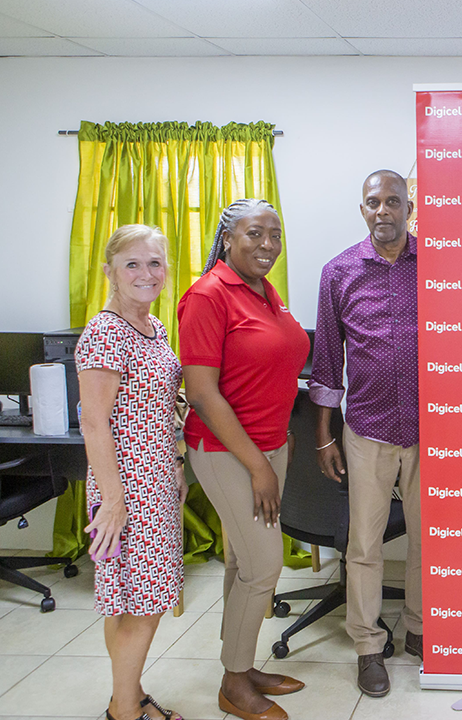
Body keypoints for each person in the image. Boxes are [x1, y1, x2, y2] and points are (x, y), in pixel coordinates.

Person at [178, 199, 309, 720]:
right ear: (227, 238)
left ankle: (243, 663)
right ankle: (234, 683)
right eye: (255, 234)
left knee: (243, 563)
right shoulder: (208, 295)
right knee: (263, 566)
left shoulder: (264, 292)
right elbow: (204, 395)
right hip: (224, 452)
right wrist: (257, 465)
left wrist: (279, 444)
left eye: (275, 235)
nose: (267, 245)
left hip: (268, 446)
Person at [309, 169, 421, 698]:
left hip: (431, 430)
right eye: (373, 202)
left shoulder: (438, 267)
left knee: (429, 540)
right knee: (365, 544)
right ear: (362, 209)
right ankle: (367, 644)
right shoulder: (339, 273)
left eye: (392, 201)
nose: (383, 210)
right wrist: (325, 437)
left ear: (408, 206)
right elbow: (328, 363)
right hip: (369, 427)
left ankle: (422, 630)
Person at [77, 224, 186, 720]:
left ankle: (129, 692)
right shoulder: (105, 331)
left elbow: (160, 407)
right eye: (132, 264)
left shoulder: (154, 328)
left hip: (156, 480)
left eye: (155, 263)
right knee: (143, 603)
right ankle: (125, 709)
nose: (146, 273)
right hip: (127, 489)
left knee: (128, 600)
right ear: (110, 272)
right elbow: (93, 422)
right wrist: (115, 500)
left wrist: (177, 464)